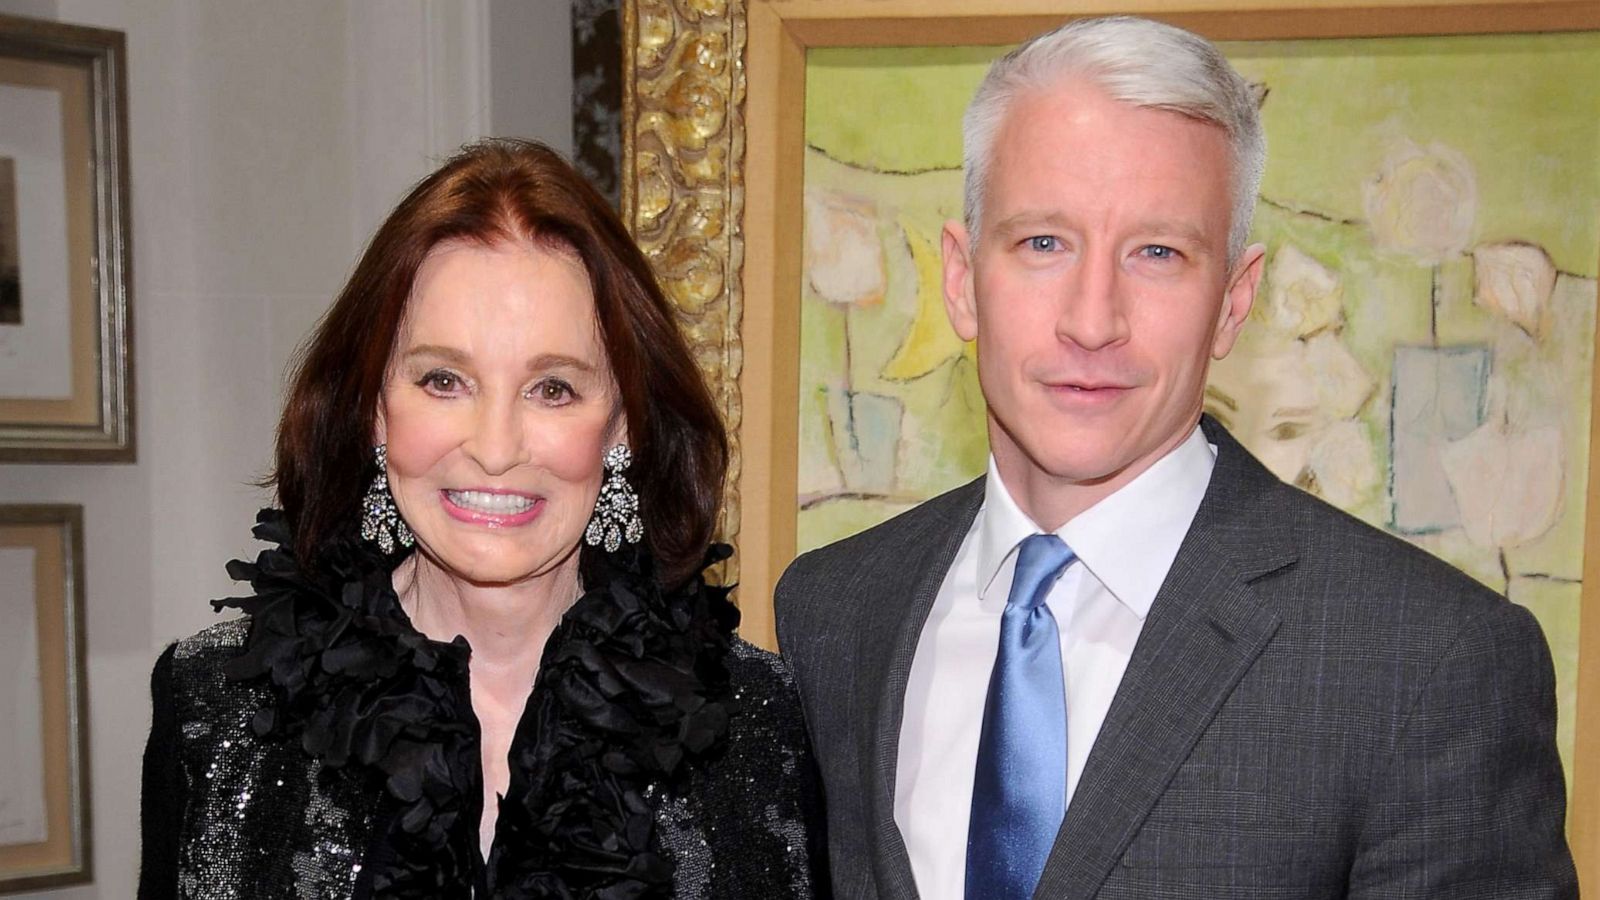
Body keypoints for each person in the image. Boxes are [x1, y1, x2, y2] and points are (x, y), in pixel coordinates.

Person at [775, 15, 1575, 900]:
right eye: (1043, 243)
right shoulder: (834, 612)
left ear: (1234, 303)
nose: (1092, 320)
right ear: (962, 279)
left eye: (1158, 254)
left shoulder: (1429, 664)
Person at [139, 139, 824, 899]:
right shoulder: (216, 704)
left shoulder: (759, 724)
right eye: (443, 380)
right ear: (374, 408)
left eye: (553, 389)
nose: (495, 449)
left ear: (623, 425)